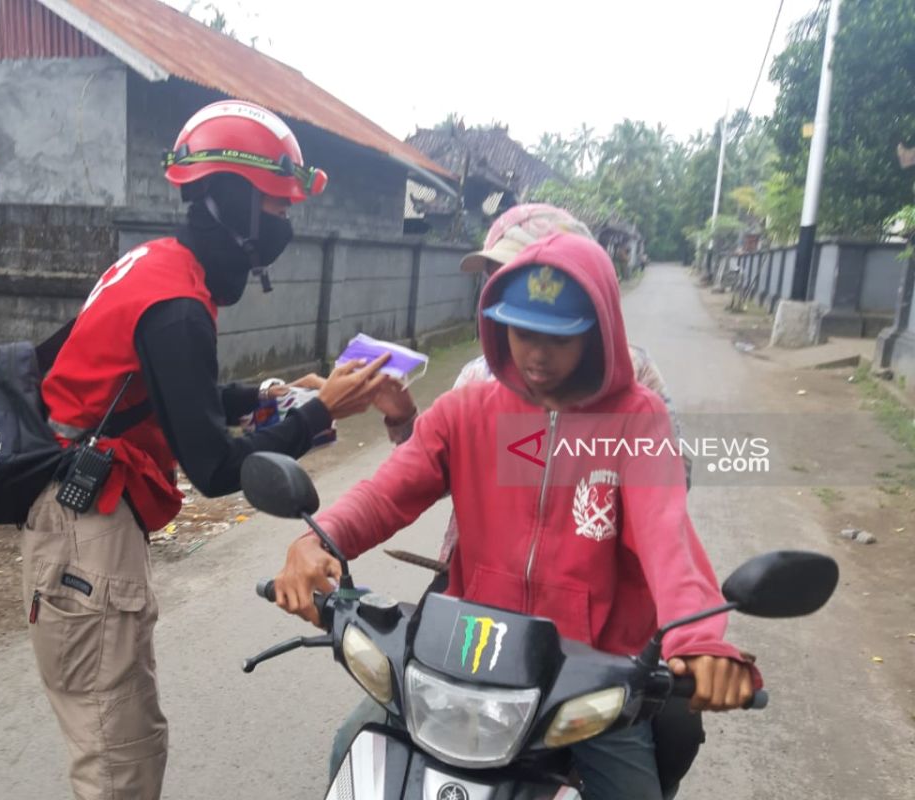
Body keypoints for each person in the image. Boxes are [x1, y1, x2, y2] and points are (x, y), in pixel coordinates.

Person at [274, 232, 758, 800]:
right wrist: (320, 538)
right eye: (523, 331)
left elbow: (666, 536)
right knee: (354, 749)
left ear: (598, 331)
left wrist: (700, 638)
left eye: (559, 337)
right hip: (470, 656)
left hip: (587, 675)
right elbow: (386, 492)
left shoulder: (637, 420)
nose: (536, 355)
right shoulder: (467, 411)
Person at [24, 99, 388, 800]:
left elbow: (170, 393)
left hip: (78, 520)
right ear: (236, 203)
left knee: (129, 738)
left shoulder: (157, 267)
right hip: (83, 534)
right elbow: (217, 468)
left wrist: (274, 393)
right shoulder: (177, 304)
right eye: (278, 208)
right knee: (118, 758)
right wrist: (318, 413)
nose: (284, 226)